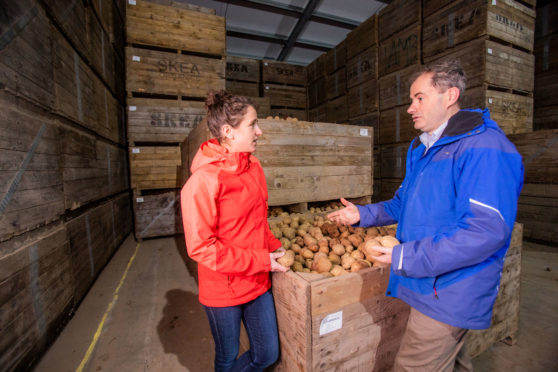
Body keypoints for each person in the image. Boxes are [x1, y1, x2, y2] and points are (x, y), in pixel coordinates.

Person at [327, 60, 523, 371]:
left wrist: (404, 256)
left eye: (419, 98)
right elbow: (402, 204)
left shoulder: (485, 149)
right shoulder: (423, 148)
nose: (410, 108)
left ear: (450, 96)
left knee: (412, 366)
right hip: (427, 281)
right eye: (411, 99)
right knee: (451, 361)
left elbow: (484, 233)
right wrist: (361, 214)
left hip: (450, 290)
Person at [181, 90, 287, 372]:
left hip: (256, 281)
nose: (259, 131)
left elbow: (257, 221)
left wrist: (275, 246)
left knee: (266, 354)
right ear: (228, 131)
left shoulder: (254, 167)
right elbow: (202, 247)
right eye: (253, 124)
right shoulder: (203, 181)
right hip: (222, 289)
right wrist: (262, 260)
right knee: (227, 357)